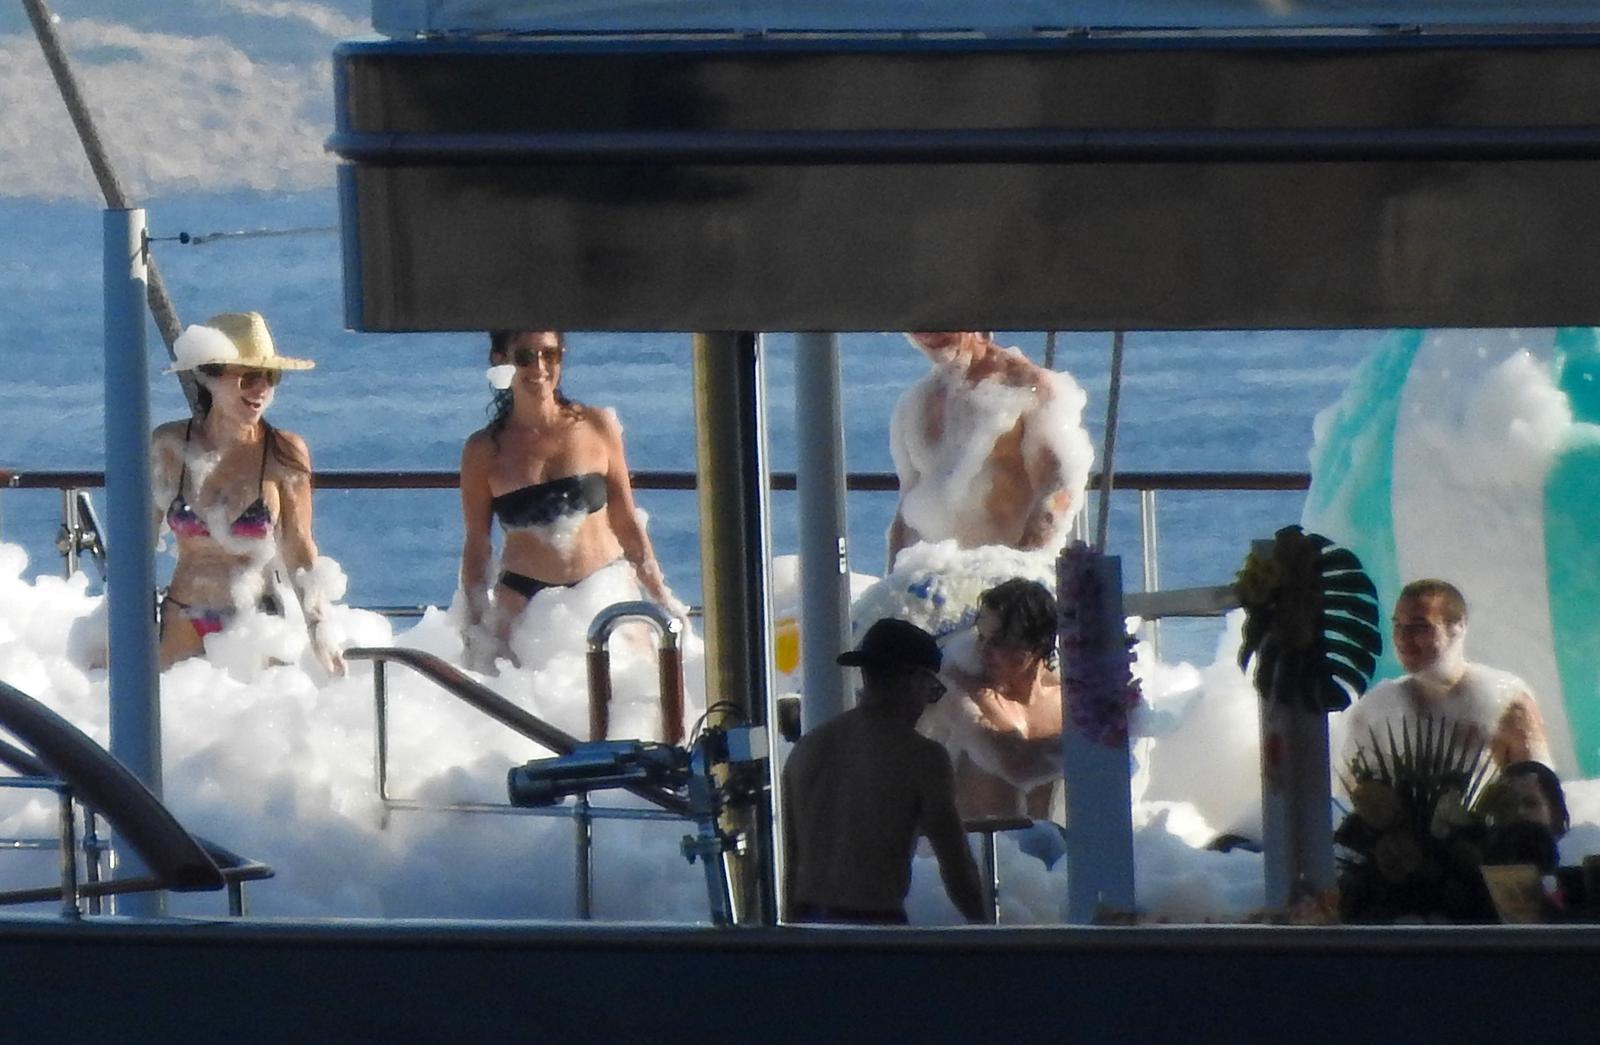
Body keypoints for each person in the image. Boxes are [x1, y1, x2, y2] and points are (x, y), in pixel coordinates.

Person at [459, 330, 683, 667]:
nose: (539, 367)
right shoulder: (484, 451)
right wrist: (474, 630)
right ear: (500, 359)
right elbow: (478, 544)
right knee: (507, 696)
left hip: (603, 588)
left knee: (639, 688)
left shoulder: (596, 426)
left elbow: (625, 521)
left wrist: (661, 598)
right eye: (525, 356)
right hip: (525, 601)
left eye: (549, 355)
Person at [151, 312, 344, 674]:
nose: (261, 389)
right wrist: (122, 621)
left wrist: (319, 627)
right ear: (210, 376)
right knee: (177, 709)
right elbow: (138, 544)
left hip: (256, 624)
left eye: (271, 377)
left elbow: (299, 547)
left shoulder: (282, 452)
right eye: (249, 377)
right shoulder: (169, 445)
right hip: (183, 618)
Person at [782, 618, 987, 924]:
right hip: (875, 928)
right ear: (912, 680)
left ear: (867, 674)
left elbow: (791, 864)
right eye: (931, 690)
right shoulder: (921, 757)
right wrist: (988, 932)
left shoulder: (806, 749)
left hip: (807, 929)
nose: (927, 705)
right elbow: (958, 869)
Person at [886, 331, 1092, 566]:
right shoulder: (918, 401)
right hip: (938, 572)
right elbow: (907, 508)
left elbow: (1058, 489)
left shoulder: (1027, 386)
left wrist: (1024, 570)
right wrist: (895, 577)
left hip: (1005, 570)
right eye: (917, 326)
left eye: (943, 322)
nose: (929, 333)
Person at [1340, 579, 1549, 771]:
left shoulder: (1505, 701)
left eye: (1420, 627)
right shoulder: (1376, 708)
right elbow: (1348, 789)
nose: (1403, 638)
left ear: (1458, 627)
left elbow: (1541, 789)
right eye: (1398, 625)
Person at [921, 579, 1064, 821]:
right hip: (975, 840)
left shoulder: (1066, 701)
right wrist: (978, 694)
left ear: (1037, 646)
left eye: (999, 641)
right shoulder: (955, 691)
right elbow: (1014, 763)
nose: (984, 650)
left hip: (1048, 841)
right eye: (981, 637)